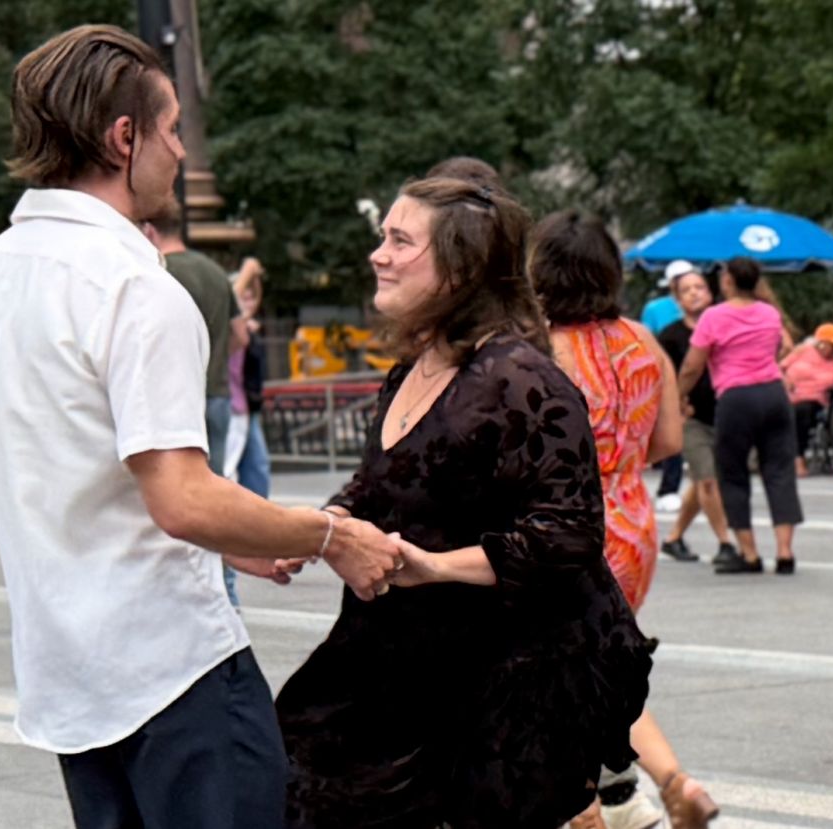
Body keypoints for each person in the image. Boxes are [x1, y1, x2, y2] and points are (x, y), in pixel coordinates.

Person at [0, 24, 399, 829]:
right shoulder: (133, 288)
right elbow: (180, 498)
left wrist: (232, 537)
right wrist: (334, 534)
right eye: (172, 130)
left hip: (67, 670)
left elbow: (74, 467)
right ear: (124, 139)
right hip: (169, 665)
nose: (182, 153)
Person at [275, 176, 652, 828]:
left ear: (461, 267)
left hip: (491, 682)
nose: (378, 253)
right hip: (401, 659)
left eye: (400, 239)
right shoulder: (415, 368)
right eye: (382, 237)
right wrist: (324, 526)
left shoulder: (518, 375)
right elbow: (382, 484)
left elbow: (568, 532)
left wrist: (438, 566)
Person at [530, 211, 718, 829]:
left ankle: (583, 803)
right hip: (632, 523)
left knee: (555, 675)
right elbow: (667, 439)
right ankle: (671, 780)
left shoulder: (535, 349)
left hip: (565, 522)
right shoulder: (644, 340)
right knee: (604, 664)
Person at [142, 203, 248, 606]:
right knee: (215, 493)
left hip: (178, 400)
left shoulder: (157, 274)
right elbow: (241, 334)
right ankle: (228, 594)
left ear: (149, 230)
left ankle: (195, 595)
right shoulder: (214, 273)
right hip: (218, 393)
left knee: (177, 503)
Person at [679, 257, 803, 575]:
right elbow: (778, 349)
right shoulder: (770, 313)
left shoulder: (714, 317)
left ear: (729, 281)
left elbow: (693, 365)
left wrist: (679, 394)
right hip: (774, 393)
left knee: (733, 474)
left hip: (736, 398)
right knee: (779, 471)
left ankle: (750, 554)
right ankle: (785, 552)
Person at [657, 266, 737, 566]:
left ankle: (674, 537)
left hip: (725, 413)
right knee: (707, 482)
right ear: (677, 298)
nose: (694, 293)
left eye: (699, 287)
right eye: (686, 289)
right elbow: (661, 375)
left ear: (710, 291)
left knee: (706, 480)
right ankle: (726, 543)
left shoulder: (724, 325)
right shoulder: (670, 335)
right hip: (689, 417)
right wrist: (674, 404)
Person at [644, 261, 689, 514]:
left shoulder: (705, 310)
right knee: (673, 432)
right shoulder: (657, 308)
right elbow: (647, 341)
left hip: (698, 378)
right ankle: (669, 488)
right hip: (667, 373)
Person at [224, 258, 272, 498]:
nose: (249, 302)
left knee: (257, 467)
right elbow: (229, 301)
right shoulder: (228, 323)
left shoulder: (247, 326)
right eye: (245, 295)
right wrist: (247, 272)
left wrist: (252, 279)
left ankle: (258, 521)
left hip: (245, 404)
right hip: (230, 404)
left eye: (252, 296)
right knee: (229, 467)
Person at [780, 322, 833, 477]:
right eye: (831, 344)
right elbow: (780, 367)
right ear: (820, 342)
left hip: (816, 401)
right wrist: (785, 381)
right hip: (788, 396)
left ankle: (798, 460)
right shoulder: (803, 351)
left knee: (802, 411)